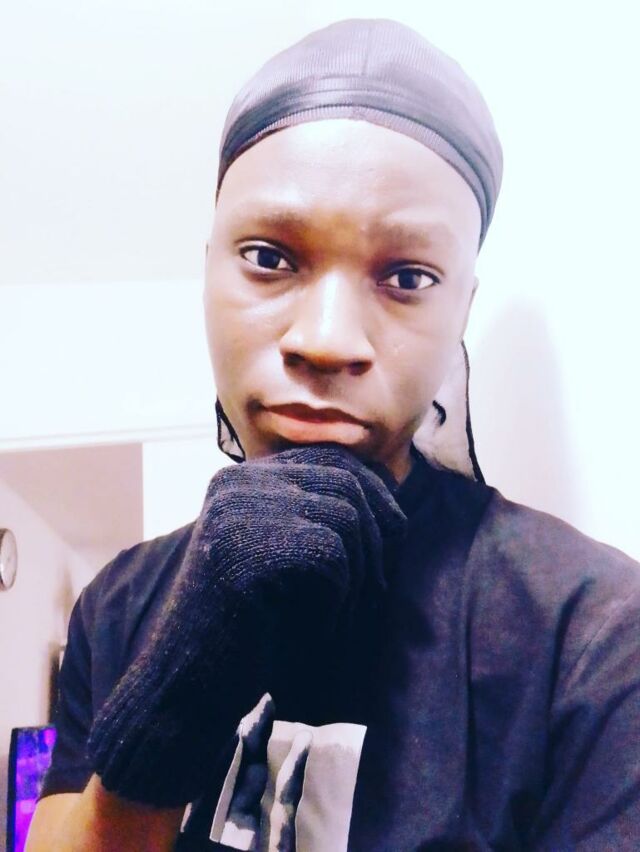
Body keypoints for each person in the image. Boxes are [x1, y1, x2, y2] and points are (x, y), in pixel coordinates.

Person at [27, 17, 640, 852]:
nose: (325, 340)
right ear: (206, 268)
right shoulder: (121, 600)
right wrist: (166, 716)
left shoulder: (594, 631)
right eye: (269, 258)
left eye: (407, 276)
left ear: (461, 309)